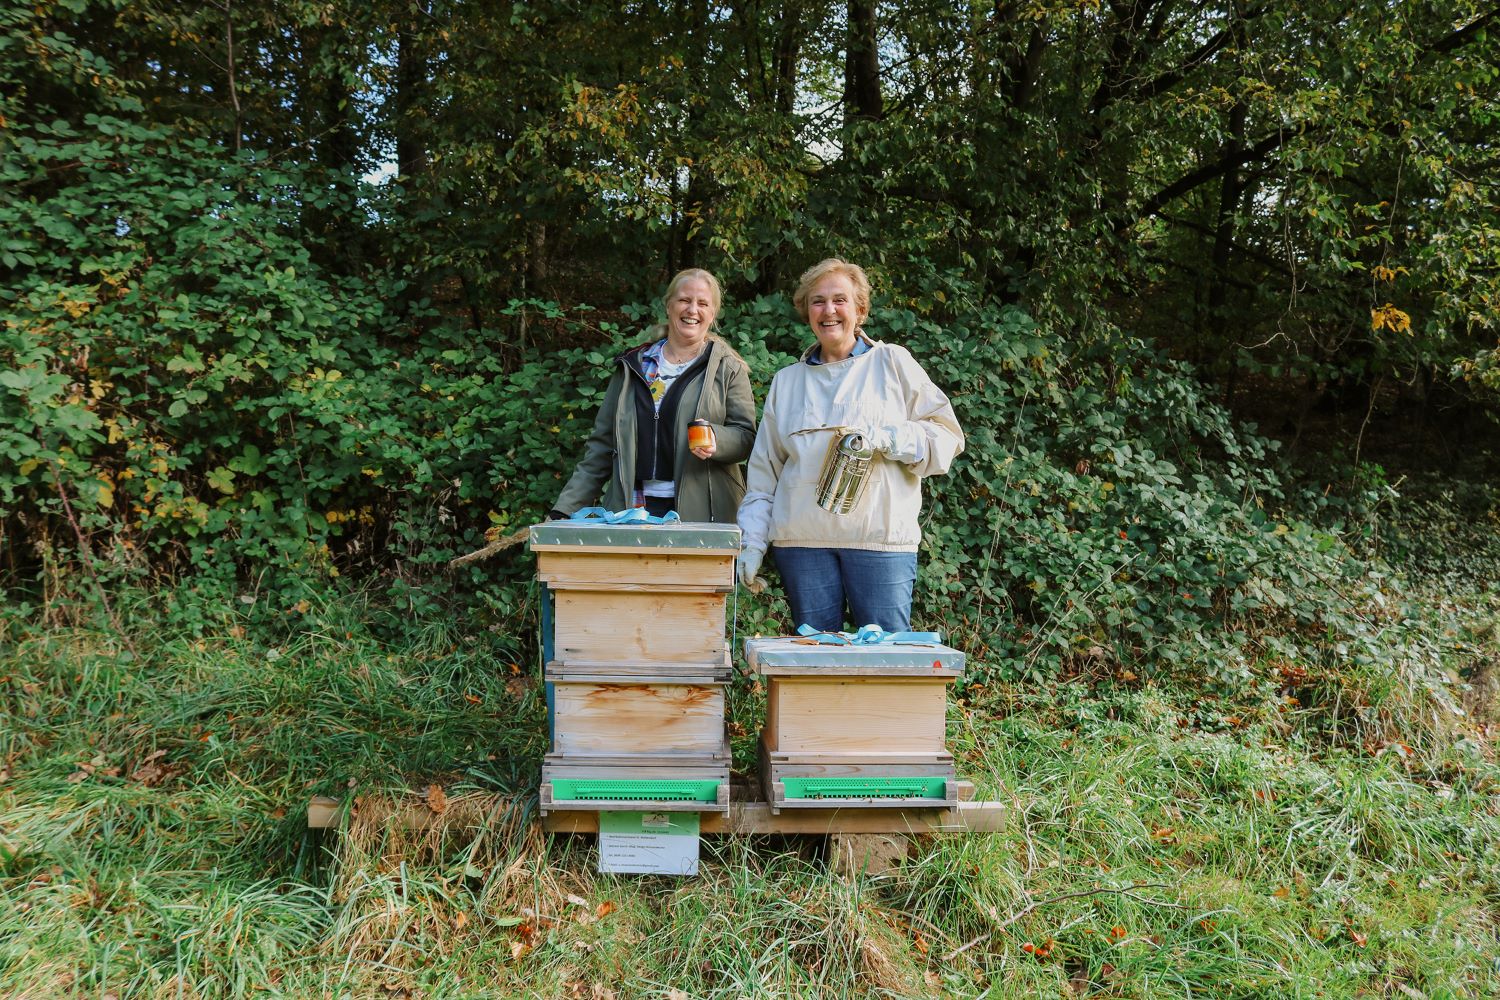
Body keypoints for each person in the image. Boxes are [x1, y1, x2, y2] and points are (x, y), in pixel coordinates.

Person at [735, 258, 964, 632]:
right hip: (802, 544)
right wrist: (754, 542)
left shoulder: (892, 362)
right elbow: (765, 474)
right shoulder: (787, 381)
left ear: (860, 309)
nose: (829, 311)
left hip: (879, 541)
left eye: (840, 300)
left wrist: (891, 438)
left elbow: (946, 437)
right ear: (806, 311)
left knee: (886, 666)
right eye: (818, 301)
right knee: (815, 667)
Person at [552, 268, 756, 522]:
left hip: (705, 515)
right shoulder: (632, 367)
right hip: (632, 511)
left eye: (703, 303)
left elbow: (746, 437)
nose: (692, 310)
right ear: (669, 306)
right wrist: (564, 509)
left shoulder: (728, 368)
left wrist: (718, 439)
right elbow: (602, 447)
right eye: (684, 300)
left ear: (712, 314)